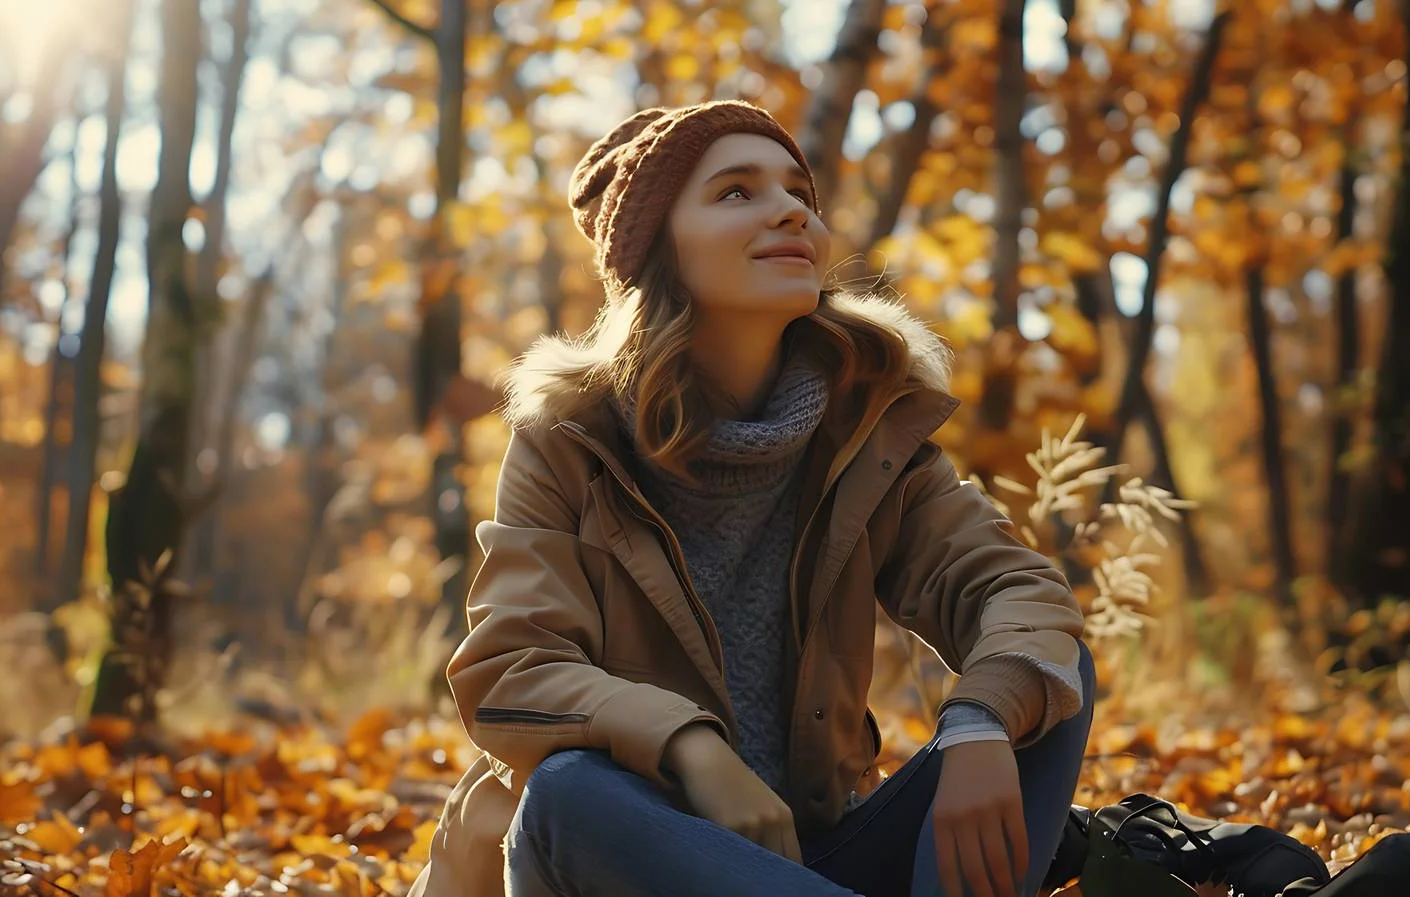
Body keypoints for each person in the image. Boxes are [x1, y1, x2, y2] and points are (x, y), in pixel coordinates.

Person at [408, 99, 1093, 897]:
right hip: (616, 862)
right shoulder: (568, 439)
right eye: (738, 192)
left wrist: (981, 718)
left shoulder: (866, 423)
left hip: (802, 863)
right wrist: (691, 750)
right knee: (566, 789)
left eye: (799, 194)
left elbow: (1017, 590)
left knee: (1045, 669)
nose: (790, 212)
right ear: (660, 251)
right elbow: (511, 670)